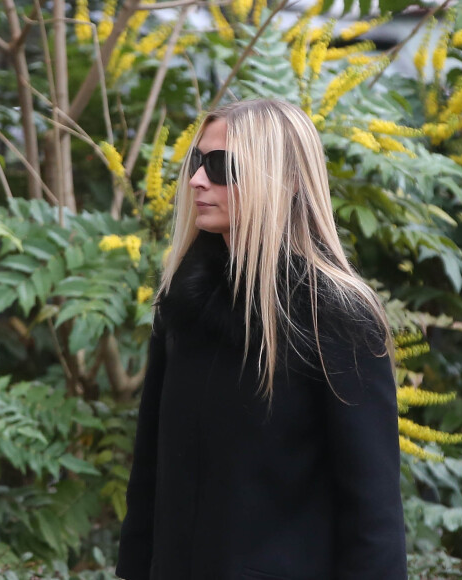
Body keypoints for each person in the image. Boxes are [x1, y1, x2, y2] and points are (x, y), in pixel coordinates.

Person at [116, 99, 407, 580]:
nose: (196, 181)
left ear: (284, 179)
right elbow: (149, 473)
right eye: (196, 162)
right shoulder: (182, 302)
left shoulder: (332, 315)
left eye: (221, 166)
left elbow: (372, 512)